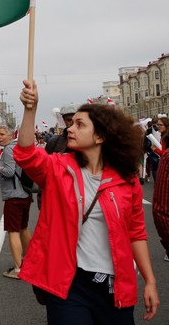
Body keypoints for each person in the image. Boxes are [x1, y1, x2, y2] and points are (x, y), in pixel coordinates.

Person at [15, 80, 159, 323]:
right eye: (71, 123)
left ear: (101, 136)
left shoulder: (127, 180)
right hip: (69, 283)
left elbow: (136, 233)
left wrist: (150, 281)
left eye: (80, 125)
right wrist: (31, 108)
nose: (70, 129)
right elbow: (26, 153)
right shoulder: (58, 168)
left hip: (115, 285)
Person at [0, 125, 32, 279]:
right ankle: (30, 262)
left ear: (11, 136)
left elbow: (9, 172)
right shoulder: (19, 147)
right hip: (25, 193)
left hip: (14, 195)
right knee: (23, 228)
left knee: (13, 231)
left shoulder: (9, 150)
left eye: (2, 134)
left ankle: (18, 269)